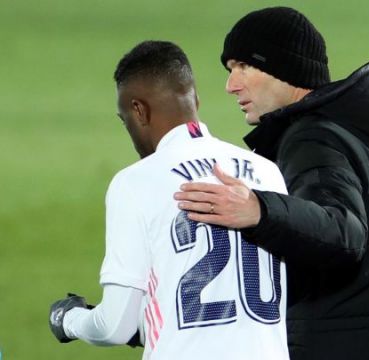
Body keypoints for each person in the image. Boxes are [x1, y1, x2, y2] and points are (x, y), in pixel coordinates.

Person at [174, 7, 369, 360]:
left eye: (244, 66)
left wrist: (259, 210)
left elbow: (343, 234)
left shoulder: (313, 137)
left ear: (283, 68)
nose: (231, 85)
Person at [48, 40, 290, 360]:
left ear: (139, 110)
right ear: (195, 100)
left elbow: (114, 327)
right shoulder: (266, 171)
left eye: (125, 120)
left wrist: (68, 320)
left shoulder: (136, 182)